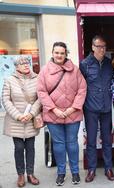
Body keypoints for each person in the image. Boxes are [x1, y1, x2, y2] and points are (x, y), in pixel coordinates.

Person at [37, 42, 87, 186]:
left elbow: (82, 89)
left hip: (73, 113)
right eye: (56, 52)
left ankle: (75, 172)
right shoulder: (45, 70)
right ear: (52, 53)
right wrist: (54, 109)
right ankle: (61, 172)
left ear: (66, 54)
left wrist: (73, 108)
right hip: (53, 114)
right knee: (58, 144)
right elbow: (41, 92)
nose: (59, 55)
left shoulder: (75, 70)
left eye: (62, 53)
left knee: (72, 143)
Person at [79, 35, 114, 182]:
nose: (102, 49)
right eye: (99, 46)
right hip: (91, 108)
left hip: (106, 108)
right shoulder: (85, 64)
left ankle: (108, 168)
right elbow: (80, 87)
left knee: (107, 140)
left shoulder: (109, 63)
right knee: (91, 141)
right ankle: (91, 170)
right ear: (93, 47)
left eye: (104, 46)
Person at [2, 56, 41, 187]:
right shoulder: (9, 80)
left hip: (30, 119)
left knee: (31, 147)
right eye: (22, 64)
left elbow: (39, 98)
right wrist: (18, 116)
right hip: (16, 121)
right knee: (19, 148)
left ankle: (30, 173)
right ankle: (20, 175)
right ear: (16, 67)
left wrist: (31, 113)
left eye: (27, 63)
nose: (25, 65)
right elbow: (6, 100)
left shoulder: (36, 79)